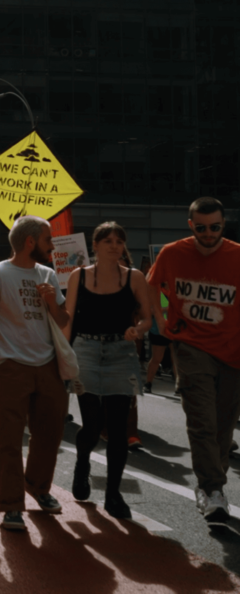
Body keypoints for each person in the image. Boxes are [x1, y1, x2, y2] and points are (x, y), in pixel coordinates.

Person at [0, 216, 69, 532]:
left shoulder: (48, 274)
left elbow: (64, 320)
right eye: (48, 239)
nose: (52, 245)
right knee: (9, 438)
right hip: (10, 365)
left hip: (49, 365)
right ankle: (12, 506)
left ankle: (38, 486)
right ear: (31, 242)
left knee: (51, 434)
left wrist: (52, 300)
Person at [147, 197, 240, 523]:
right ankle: (212, 490)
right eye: (201, 228)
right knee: (201, 421)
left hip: (232, 353)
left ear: (223, 225)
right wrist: (159, 319)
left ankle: (213, 482)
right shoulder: (173, 253)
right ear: (191, 226)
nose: (209, 233)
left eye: (215, 227)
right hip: (189, 347)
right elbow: (151, 286)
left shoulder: (237, 256)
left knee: (223, 429)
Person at [63, 222, 153, 520]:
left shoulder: (134, 277)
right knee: (91, 424)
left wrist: (137, 330)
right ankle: (82, 464)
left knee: (118, 429)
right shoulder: (79, 275)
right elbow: (69, 318)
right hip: (85, 352)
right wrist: (62, 354)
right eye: (108, 241)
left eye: (119, 241)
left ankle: (113, 494)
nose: (114, 245)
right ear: (96, 245)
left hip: (121, 354)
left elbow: (146, 318)